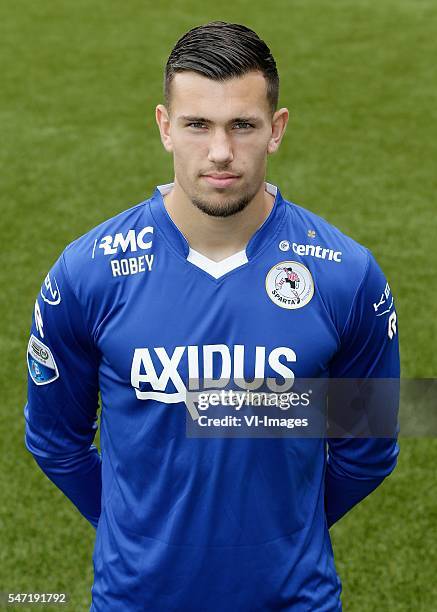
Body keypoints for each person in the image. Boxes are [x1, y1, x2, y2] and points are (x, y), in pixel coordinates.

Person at [24, 21, 400, 611]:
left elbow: (369, 449)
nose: (220, 152)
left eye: (242, 126)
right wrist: (135, 528)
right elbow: (55, 440)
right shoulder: (87, 273)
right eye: (198, 124)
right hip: (136, 599)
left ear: (275, 130)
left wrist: (283, 534)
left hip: (292, 600)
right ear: (165, 127)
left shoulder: (346, 276)